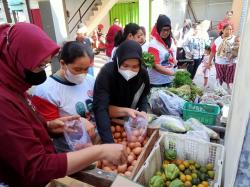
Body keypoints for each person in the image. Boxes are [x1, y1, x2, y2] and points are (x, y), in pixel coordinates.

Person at [0, 23, 127, 187]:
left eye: (45, 65)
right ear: (17, 58)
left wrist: (47, 126)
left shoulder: (15, 85)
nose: (42, 71)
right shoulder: (4, 102)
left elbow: (24, 125)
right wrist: (100, 151)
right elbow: (36, 168)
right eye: (40, 65)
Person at [32, 41, 96, 153]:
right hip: (71, 151)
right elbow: (49, 129)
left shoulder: (90, 80)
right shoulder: (46, 91)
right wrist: (78, 124)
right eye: (77, 69)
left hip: (95, 143)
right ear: (63, 63)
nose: (83, 74)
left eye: (86, 69)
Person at [93, 40, 150, 143]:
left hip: (128, 120)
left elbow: (143, 95)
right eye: (125, 65)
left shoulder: (142, 75)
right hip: (107, 120)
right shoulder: (107, 73)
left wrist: (143, 110)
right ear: (118, 60)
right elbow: (100, 108)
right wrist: (109, 143)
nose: (130, 70)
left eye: (135, 67)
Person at [148, 15, 177, 87]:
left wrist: (174, 61)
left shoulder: (171, 41)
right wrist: (173, 73)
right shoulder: (153, 44)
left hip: (169, 79)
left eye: (168, 30)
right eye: (164, 30)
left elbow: (172, 55)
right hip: (157, 82)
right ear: (158, 28)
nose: (166, 32)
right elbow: (156, 66)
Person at [208, 24, 235, 91]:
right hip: (219, 63)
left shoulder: (234, 39)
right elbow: (213, 52)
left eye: (231, 29)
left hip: (230, 63)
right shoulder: (218, 40)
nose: (229, 31)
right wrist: (209, 62)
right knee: (219, 78)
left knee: (230, 80)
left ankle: (230, 94)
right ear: (222, 30)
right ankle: (218, 92)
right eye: (227, 29)